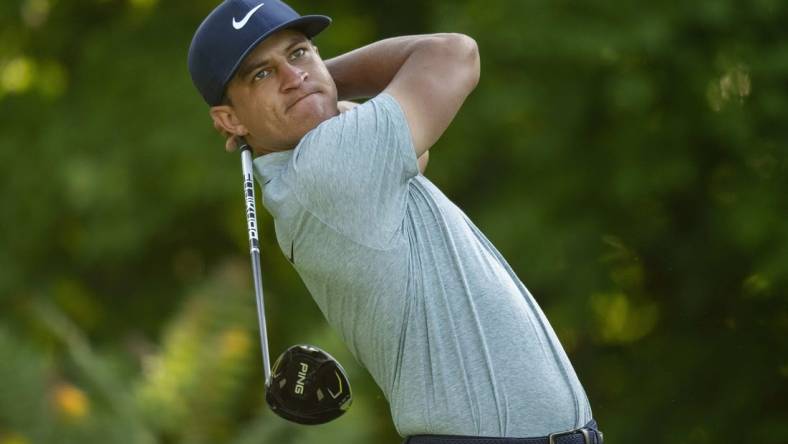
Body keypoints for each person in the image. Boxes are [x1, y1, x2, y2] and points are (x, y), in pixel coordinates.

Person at [188, 1, 603, 443]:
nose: (294, 76)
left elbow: (416, 155)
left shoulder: (314, 175)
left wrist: (309, 88)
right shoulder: (328, 166)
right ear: (229, 119)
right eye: (262, 74)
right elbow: (454, 54)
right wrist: (320, 82)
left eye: (299, 53)